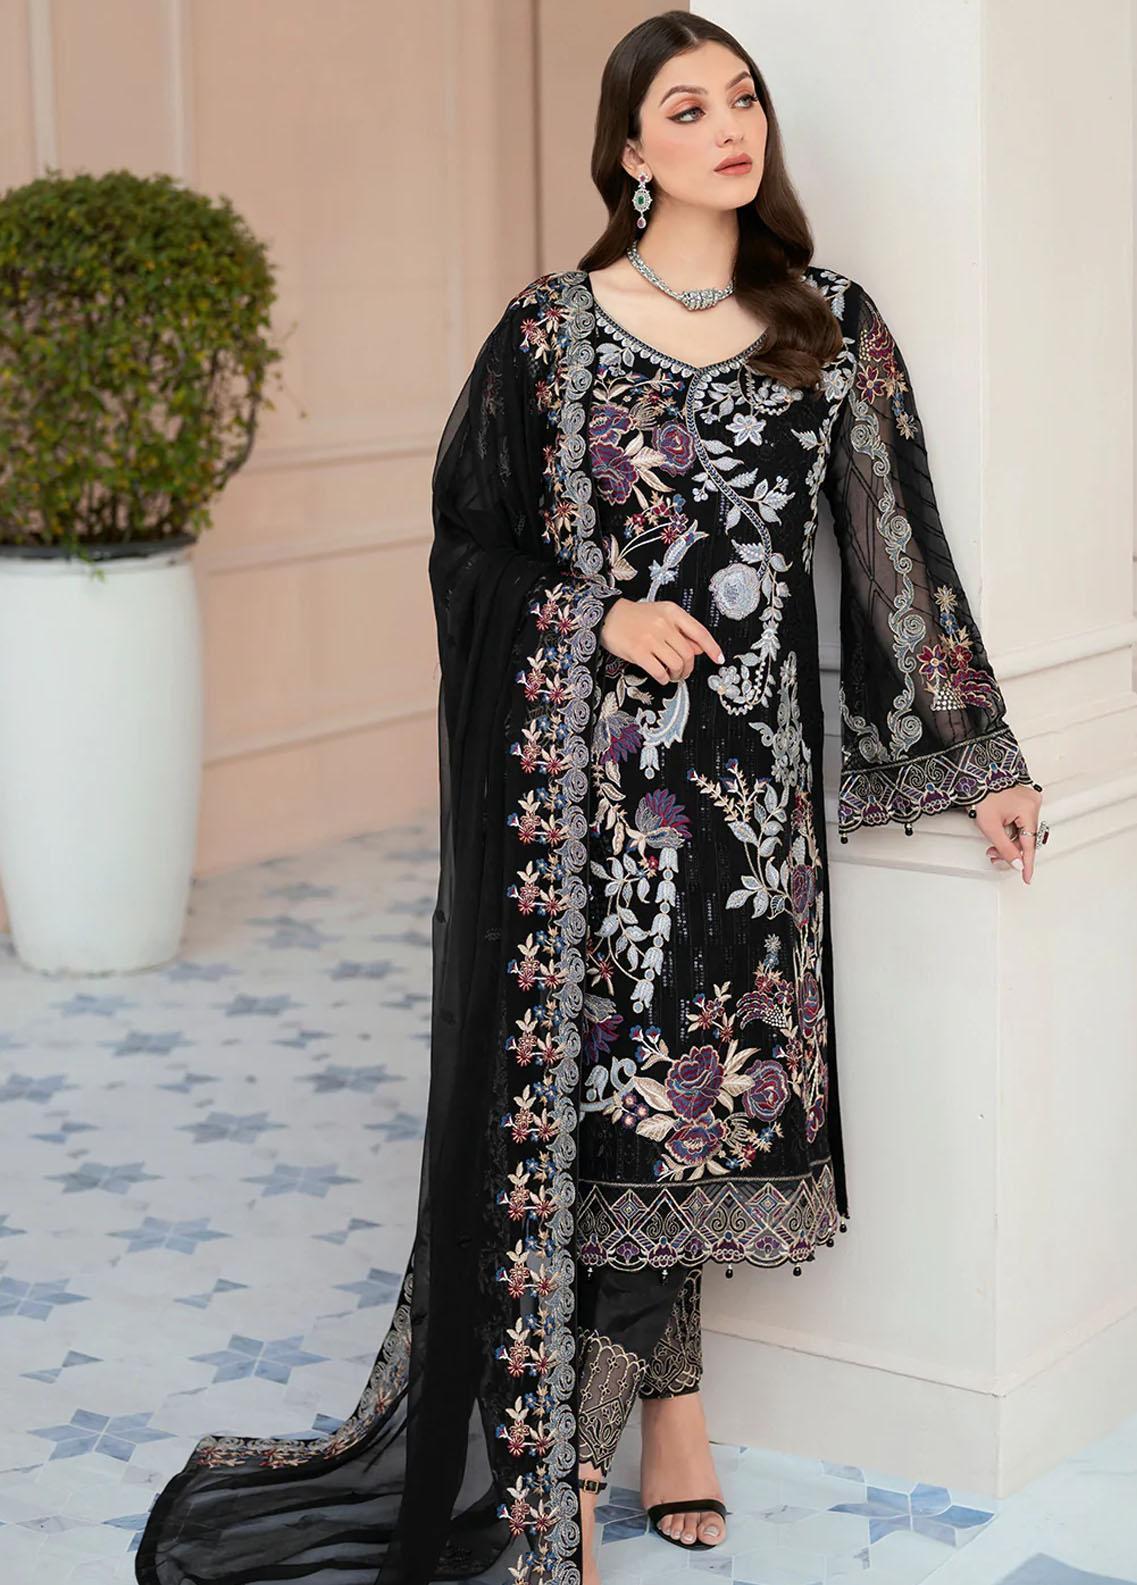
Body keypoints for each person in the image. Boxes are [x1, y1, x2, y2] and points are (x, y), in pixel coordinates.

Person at [133, 12, 1047, 1585]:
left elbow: (898, 541)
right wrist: (596, 617)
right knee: (609, 1122)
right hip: (588, 809)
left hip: (748, 819)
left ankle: (669, 1412)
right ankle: (561, 1475)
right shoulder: (550, 337)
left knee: (706, 1106)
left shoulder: (826, 325)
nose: (726, 126)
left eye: (742, 97)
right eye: (684, 108)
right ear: (628, 152)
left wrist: (981, 755)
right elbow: (467, 545)